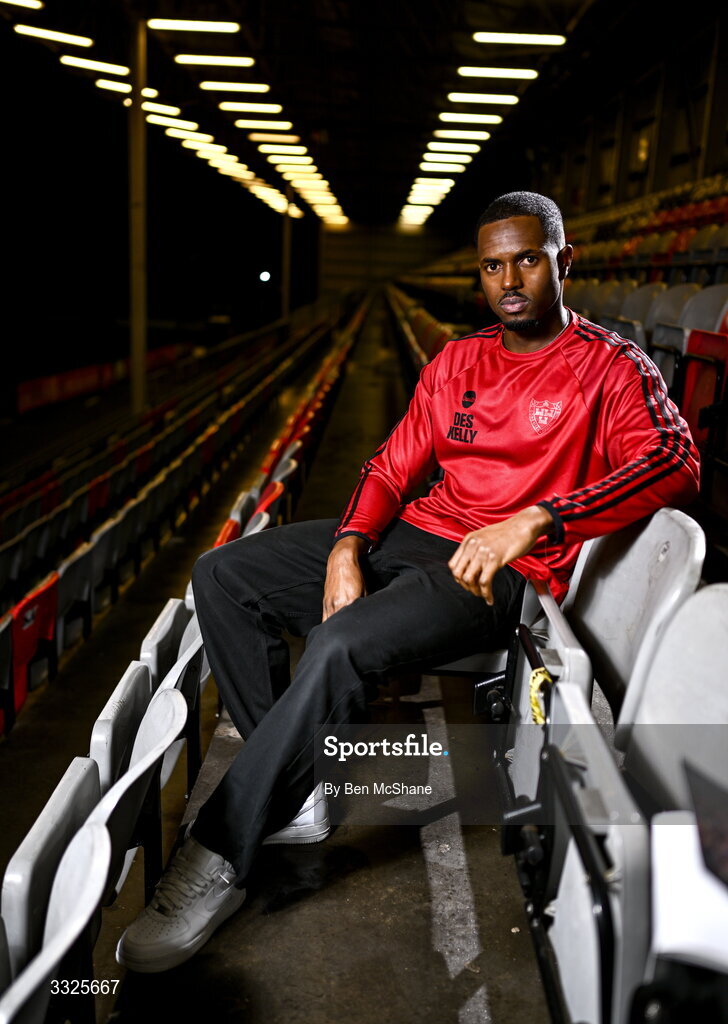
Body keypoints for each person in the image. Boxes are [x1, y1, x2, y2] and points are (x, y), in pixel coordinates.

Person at [116, 191, 700, 973]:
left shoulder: (610, 365)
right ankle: (297, 789)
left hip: (498, 570)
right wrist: (349, 545)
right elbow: (392, 466)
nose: (510, 280)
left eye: (528, 259)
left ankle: (219, 852)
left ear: (565, 262)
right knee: (224, 573)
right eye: (492, 266)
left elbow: (676, 460)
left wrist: (541, 519)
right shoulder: (458, 360)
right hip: (416, 535)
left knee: (340, 643)